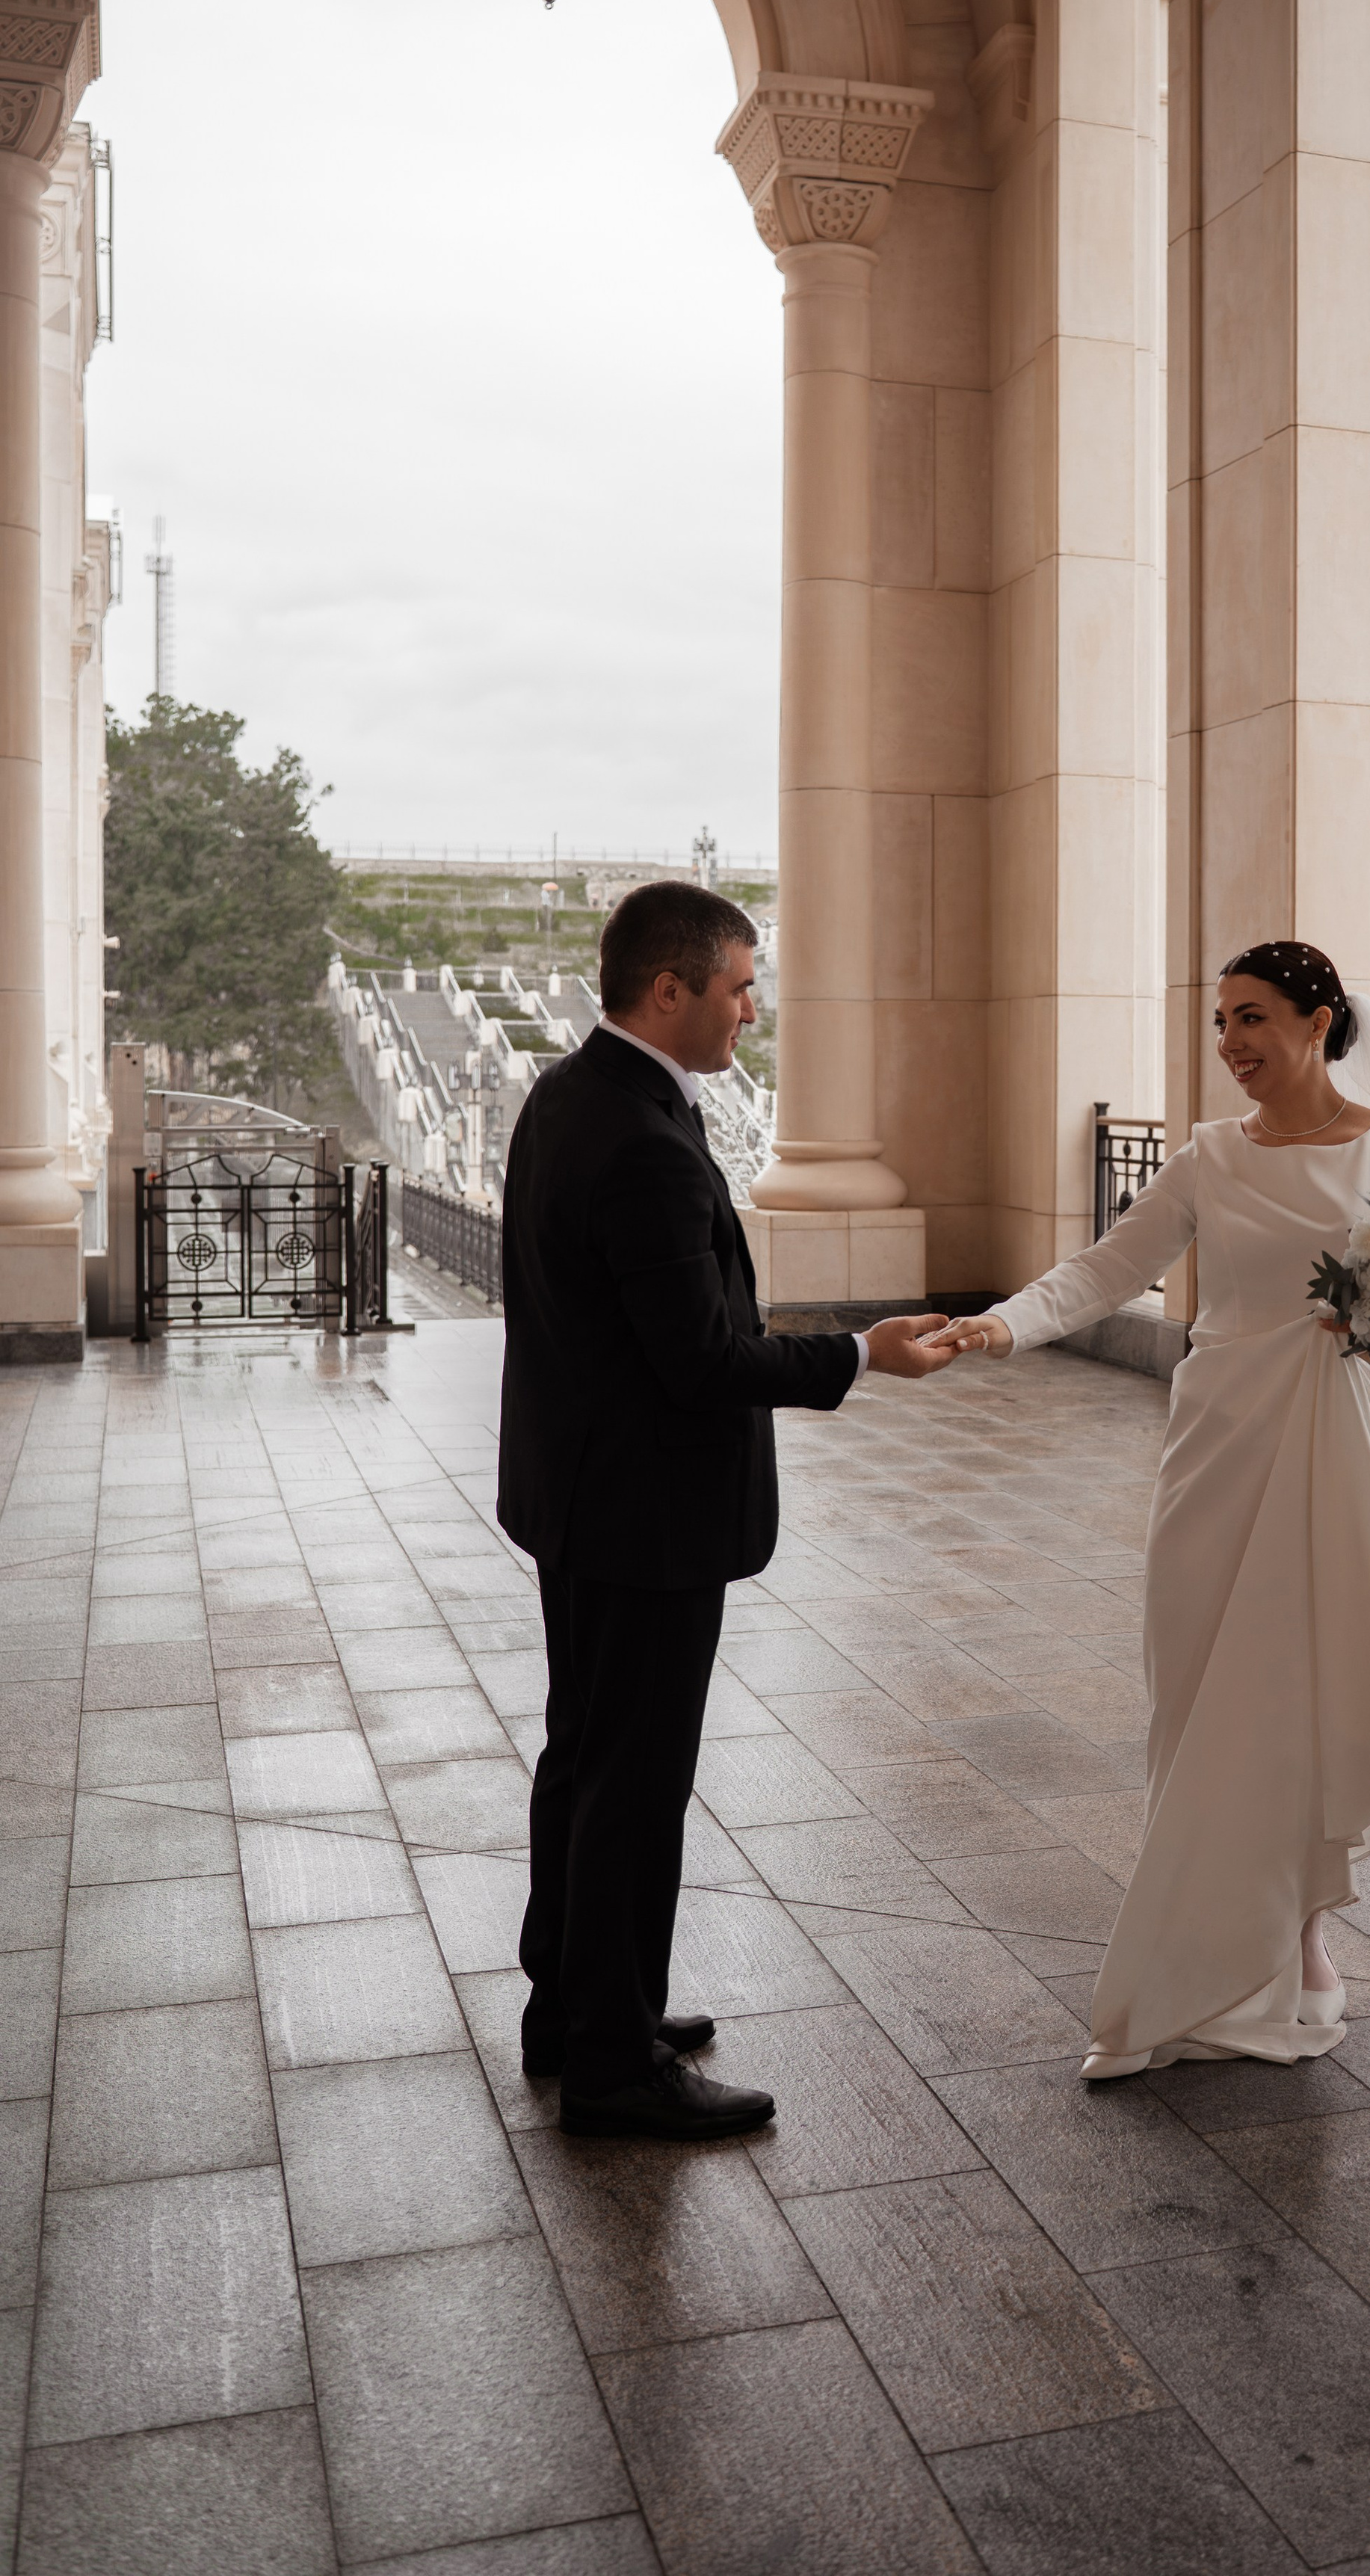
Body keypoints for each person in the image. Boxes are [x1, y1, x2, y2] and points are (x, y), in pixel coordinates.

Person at [942, 942, 1370, 2077]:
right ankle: (1234, 1940)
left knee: (1305, 1689)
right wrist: (1000, 1326)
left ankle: (1297, 1943)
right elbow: (1105, 1267)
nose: (1231, 1044)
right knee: (1191, 1688)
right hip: (1216, 1444)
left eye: (1253, 1019)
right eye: (1220, 1024)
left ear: (1320, 1019)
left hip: (1343, 1447)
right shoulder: (1210, 1157)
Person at [496, 880, 964, 2139]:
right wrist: (866, 1354)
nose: (754, 1010)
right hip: (644, 1518)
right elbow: (703, 1361)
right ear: (671, 989)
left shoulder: (570, 1094)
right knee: (635, 1785)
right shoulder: (644, 1140)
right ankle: (611, 2068)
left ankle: (575, 2006)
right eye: (741, 985)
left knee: (585, 1757)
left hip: (585, 1497)